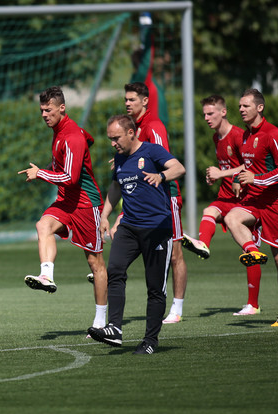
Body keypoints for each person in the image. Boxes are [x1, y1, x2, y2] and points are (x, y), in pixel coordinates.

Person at [88, 114, 185, 355]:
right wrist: (104, 215)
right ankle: (114, 328)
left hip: (157, 229)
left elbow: (179, 168)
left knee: (155, 288)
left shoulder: (152, 151)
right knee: (115, 271)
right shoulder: (120, 159)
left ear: (131, 133)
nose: (113, 143)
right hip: (129, 227)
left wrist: (161, 176)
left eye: (116, 138)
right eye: (110, 139)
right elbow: (116, 187)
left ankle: (150, 340)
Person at [18, 86, 107, 331]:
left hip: (86, 203)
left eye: (49, 110)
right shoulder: (61, 131)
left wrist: (41, 173)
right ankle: (46, 275)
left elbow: (70, 177)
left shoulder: (71, 135)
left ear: (62, 108)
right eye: (42, 111)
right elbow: (87, 140)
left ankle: (100, 322)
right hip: (67, 202)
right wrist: (50, 166)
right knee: (43, 225)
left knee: (95, 262)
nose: (44, 115)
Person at [182, 95, 263, 316]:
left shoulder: (238, 135)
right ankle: (203, 245)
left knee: (249, 248)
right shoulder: (216, 138)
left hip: (246, 201)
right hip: (226, 198)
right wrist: (216, 176)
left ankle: (253, 305)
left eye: (211, 113)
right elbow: (229, 167)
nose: (207, 118)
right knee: (208, 211)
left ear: (224, 112)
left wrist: (231, 177)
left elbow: (248, 165)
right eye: (204, 115)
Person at [223, 88, 278, 327]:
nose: (241, 109)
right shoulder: (245, 136)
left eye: (246, 106)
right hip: (255, 200)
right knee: (231, 218)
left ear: (259, 107)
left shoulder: (273, 133)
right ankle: (253, 251)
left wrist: (257, 179)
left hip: (277, 202)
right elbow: (246, 168)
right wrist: (238, 180)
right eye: (240, 106)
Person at [124, 82, 188, 324]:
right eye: (126, 100)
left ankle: (177, 308)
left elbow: (164, 161)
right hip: (146, 200)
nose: (128, 103)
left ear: (145, 101)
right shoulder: (135, 128)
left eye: (132, 99)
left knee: (175, 254)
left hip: (166, 196)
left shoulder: (154, 125)